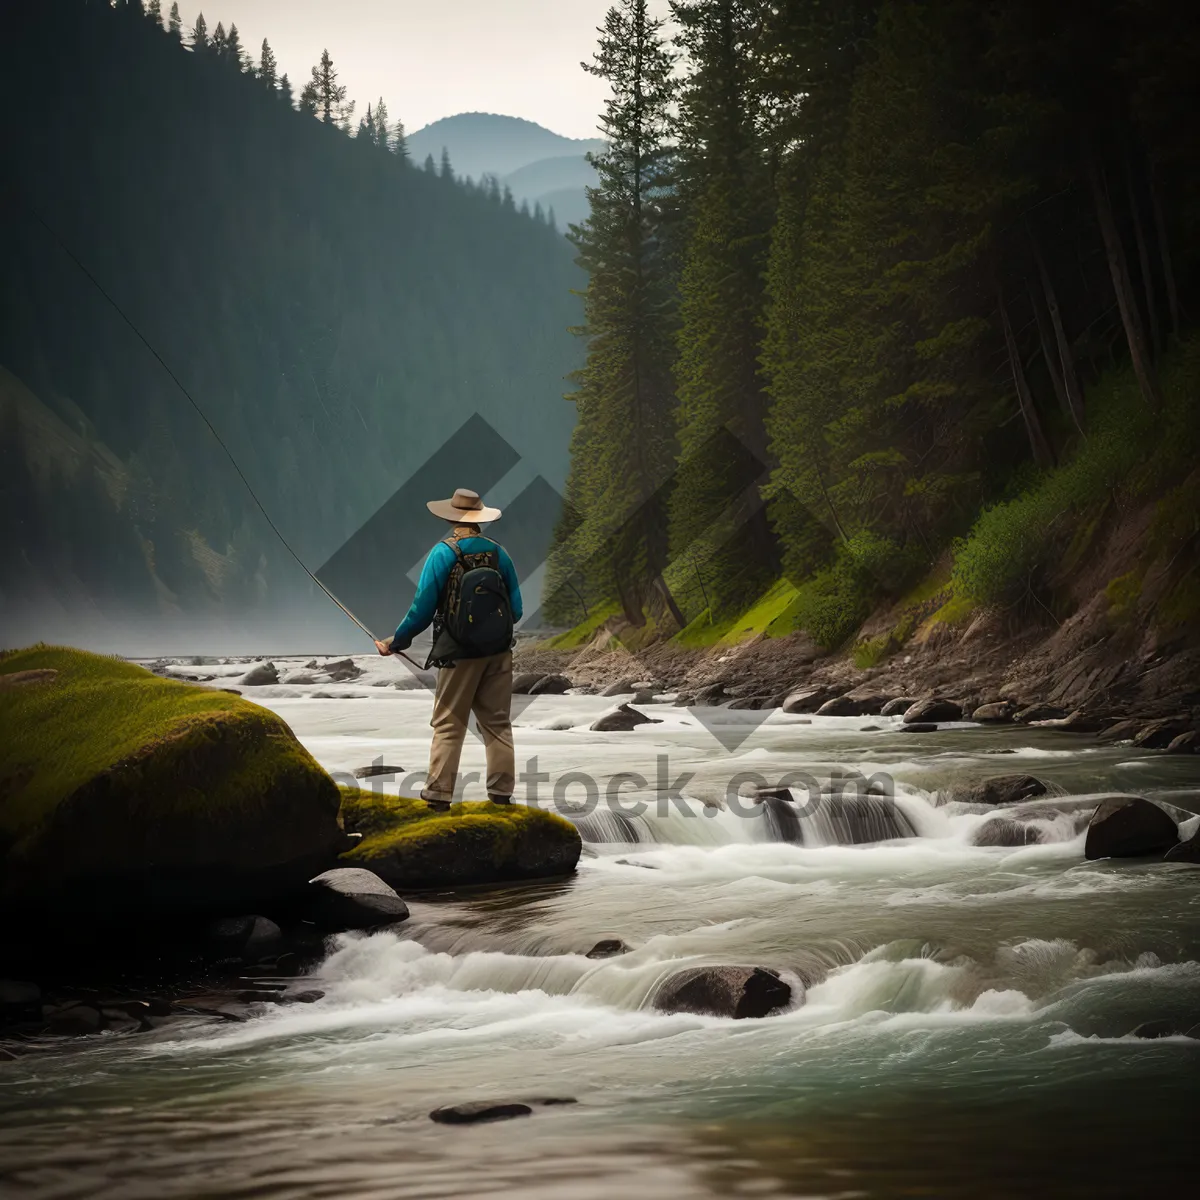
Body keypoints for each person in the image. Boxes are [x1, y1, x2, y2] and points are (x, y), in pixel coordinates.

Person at [375, 487, 522, 811]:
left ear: (451, 519)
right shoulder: (500, 554)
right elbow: (517, 609)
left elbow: (422, 609)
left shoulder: (443, 554)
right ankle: (501, 794)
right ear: (480, 520)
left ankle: (439, 795)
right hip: (499, 652)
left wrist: (395, 642)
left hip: (458, 654)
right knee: (497, 724)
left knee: (449, 722)